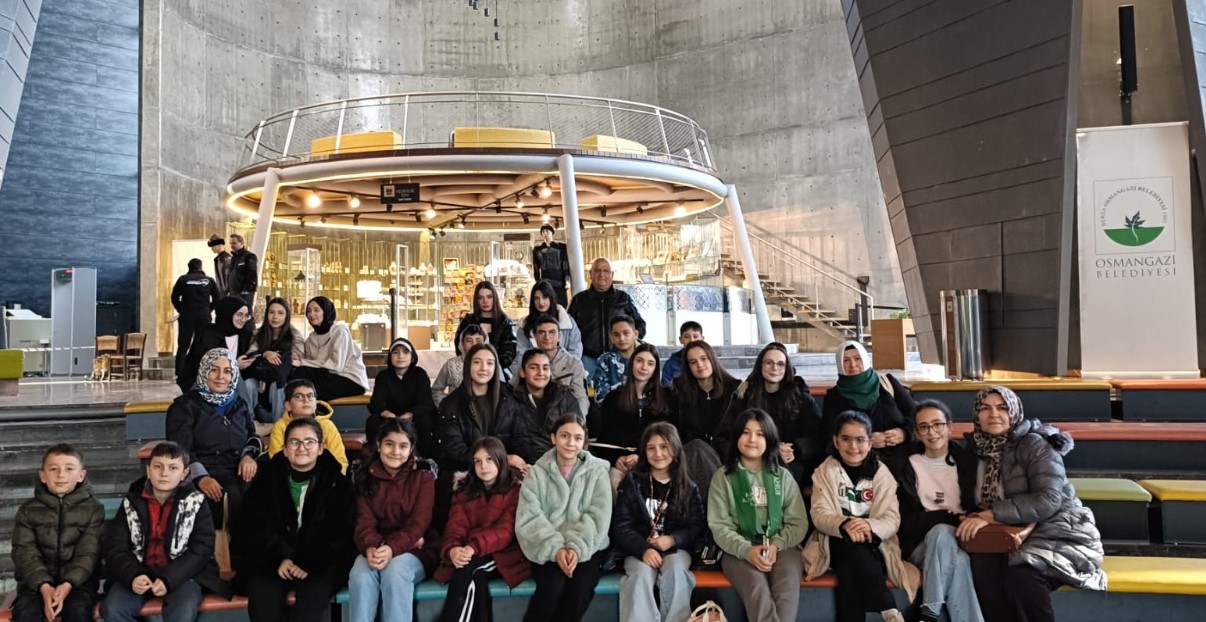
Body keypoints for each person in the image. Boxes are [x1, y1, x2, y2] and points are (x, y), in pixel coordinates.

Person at [958, 386, 1106, 622]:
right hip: (1004, 530)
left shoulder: (1034, 444)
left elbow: (1048, 500)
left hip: (1056, 528)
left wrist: (990, 515)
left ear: (1014, 412)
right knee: (982, 570)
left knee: (1023, 575)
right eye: (985, 408)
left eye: (1002, 408)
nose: (993, 414)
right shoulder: (973, 449)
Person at [234, 418, 355, 622]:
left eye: (309, 442)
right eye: (294, 442)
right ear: (285, 448)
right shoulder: (266, 480)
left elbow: (340, 534)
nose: (301, 448)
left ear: (321, 448)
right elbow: (252, 527)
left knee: (307, 611)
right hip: (273, 562)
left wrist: (307, 562)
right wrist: (280, 559)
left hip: (319, 565)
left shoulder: (338, 484)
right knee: (263, 604)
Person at [803, 411, 917, 622]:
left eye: (860, 440)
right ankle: (888, 608)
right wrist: (845, 524)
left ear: (870, 442)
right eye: (846, 439)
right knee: (850, 546)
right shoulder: (825, 471)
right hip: (834, 541)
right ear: (836, 441)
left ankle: (887, 609)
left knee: (849, 568)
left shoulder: (882, 473)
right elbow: (819, 514)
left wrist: (866, 527)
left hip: (875, 547)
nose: (853, 446)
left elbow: (892, 519)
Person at [101, 441, 230, 622]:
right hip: (140, 573)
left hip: (183, 575)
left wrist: (169, 579)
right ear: (148, 470)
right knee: (113, 610)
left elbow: (201, 549)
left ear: (184, 473)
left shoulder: (196, 502)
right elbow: (116, 547)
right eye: (158, 466)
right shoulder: (132, 502)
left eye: (173, 468)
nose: (164, 473)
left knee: (183, 611)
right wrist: (133, 576)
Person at [707, 409, 808, 622]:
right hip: (737, 548)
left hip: (783, 546)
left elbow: (798, 522)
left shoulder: (782, 476)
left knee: (786, 588)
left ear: (769, 440)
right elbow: (719, 526)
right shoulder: (723, 477)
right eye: (745, 432)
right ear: (736, 437)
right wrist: (747, 550)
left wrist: (776, 545)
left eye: (760, 434)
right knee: (756, 589)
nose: (752, 439)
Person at [515, 413, 612, 622]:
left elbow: (598, 516)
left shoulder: (598, 472)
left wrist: (576, 548)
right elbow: (530, 517)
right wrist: (556, 549)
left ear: (584, 441)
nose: (571, 443)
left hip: (587, 548)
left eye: (577, 438)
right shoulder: (536, 473)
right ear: (553, 438)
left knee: (579, 588)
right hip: (546, 547)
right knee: (552, 586)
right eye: (564, 436)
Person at [893, 400, 982, 622]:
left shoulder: (969, 463)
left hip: (965, 540)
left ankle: (927, 615)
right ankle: (930, 613)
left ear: (949, 427)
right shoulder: (904, 466)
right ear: (917, 433)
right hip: (920, 546)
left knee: (956, 555)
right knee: (943, 535)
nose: (932, 432)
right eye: (924, 427)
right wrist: (949, 518)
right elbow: (903, 522)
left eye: (937, 425)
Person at [611, 423, 705, 622]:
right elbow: (621, 525)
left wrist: (673, 539)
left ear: (675, 449)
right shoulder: (633, 483)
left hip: (676, 550)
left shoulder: (688, 486)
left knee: (676, 571)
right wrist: (643, 549)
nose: (658, 453)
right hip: (638, 550)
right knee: (640, 575)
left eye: (664, 447)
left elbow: (696, 525)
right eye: (651, 448)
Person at [349, 419, 438, 622]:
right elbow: (363, 521)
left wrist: (391, 548)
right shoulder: (365, 476)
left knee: (396, 571)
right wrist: (370, 547)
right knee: (360, 574)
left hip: (416, 549)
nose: (396, 452)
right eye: (389, 444)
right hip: (375, 548)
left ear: (411, 449)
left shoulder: (423, 477)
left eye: (403, 446)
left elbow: (419, 524)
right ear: (379, 445)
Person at [435, 437, 530, 622]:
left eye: (489, 459)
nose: (483, 466)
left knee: (468, 570)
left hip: (504, 553)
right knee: (473, 577)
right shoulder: (464, 490)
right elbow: (455, 526)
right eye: (477, 461)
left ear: (500, 460)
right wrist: (453, 549)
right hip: (470, 552)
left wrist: (472, 547)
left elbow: (506, 531)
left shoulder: (515, 489)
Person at [9, 444, 105, 622]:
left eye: (69, 469)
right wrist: (44, 586)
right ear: (43, 476)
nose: (61, 475)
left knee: (78, 611)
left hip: (78, 584)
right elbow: (24, 552)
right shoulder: (28, 510)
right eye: (53, 469)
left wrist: (68, 584)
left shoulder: (94, 509)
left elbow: (89, 553)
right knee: (26, 613)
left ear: (81, 475)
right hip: (34, 584)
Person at [166, 348, 261, 524]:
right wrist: (200, 478)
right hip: (202, 471)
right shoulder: (185, 406)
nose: (220, 377)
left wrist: (248, 456)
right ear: (204, 371)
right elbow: (180, 449)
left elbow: (252, 437)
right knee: (220, 502)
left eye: (227, 371)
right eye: (214, 370)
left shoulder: (239, 404)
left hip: (237, 470)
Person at [716, 342, 824, 489]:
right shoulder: (744, 397)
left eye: (780, 364)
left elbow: (818, 437)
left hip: (791, 463)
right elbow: (722, 439)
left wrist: (796, 450)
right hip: (750, 460)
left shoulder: (801, 398)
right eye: (769, 363)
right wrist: (759, 451)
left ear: (786, 368)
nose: (774, 368)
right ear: (760, 365)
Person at [823, 340, 915, 467]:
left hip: (903, 461)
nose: (852, 365)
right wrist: (865, 442)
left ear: (865, 360)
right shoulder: (834, 397)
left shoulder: (888, 384)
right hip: (860, 466)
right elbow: (829, 437)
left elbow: (916, 415)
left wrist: (904, 433)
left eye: (857, 358)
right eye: (846, 360)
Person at [597, 343, 674, 471]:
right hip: (623, 463)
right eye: (639, 361)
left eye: (650, 363)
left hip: (657, 460)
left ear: (656, 369)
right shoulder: (613, 398)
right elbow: (604, 439)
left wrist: (641, 457)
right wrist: (616, 458)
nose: (644, 367)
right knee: (614, 476)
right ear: (631, 363)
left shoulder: (668, 397)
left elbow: (673, 437)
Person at [439, 343, 514, 474]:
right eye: (477, 362)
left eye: (490, 363)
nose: (484, 368)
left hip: (506, 471)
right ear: (468, 365)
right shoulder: (451, 404)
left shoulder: (508, 396)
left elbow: (520, 436)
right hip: (469, 472)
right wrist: (495, 459)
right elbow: (455, 450)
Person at [506, 348, 585, 467]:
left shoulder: (564, 397)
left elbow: (578, 434)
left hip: (562, 463)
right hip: (523, 466)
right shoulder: (511, 400)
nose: (541, 372)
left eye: (545, 368)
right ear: (522, 372)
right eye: (534, 367)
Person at [567, 258, 645, 375]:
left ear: (612, 274)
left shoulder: (623, 298)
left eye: (606, 271)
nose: (601, 274)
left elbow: (640, 325)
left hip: (618, 361)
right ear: (590, 274)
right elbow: (568, 330)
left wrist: (630, 347)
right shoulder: (579, 300)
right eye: (597, 270)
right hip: (588, 360)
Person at [291, 296, 369, 402]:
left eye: (316, 310)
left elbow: (336, 366)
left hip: (350, 379)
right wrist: (298, 358)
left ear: (326, 311)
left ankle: (313, 409)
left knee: (305, 378)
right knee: (300, 377)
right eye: (309, 311)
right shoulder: (311, 339)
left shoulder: (339, 332)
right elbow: (312, 365)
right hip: (328, 377)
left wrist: (301, 362)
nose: (312, 314)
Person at [367, 337, 437, 455]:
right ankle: (375, 458)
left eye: (405, 352)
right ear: (390, 357)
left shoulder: (420, 374)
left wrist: (409, 414)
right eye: (395, 352)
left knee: (425, 421)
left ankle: (423, 458)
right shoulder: (383, 376)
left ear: (412, 356)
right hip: (389, 416)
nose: (400, 356)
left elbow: (425, 402)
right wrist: (388, 414)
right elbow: (376, 402)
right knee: (373, 422)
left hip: (414, 416)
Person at [239, 297, 303, 423]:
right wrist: (265, 353)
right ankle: (249, 424)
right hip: (260, 379)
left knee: (278, 386)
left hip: (282, 381)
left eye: (280, 313)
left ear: (287, 316)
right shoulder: (259, 333)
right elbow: (249, 356)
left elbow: (299, 359)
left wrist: (289, 356)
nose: (275, 317)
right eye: (271, 312)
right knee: (249, 384)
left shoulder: (294, 335)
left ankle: (278, 425)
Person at [510, 313, 588, 414]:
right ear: (534, 336)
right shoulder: (526, 361)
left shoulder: (573, 363)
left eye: (552, 332)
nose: (547, 337)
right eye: (542, 333)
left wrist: (577, 420)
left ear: (559, 336)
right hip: (531, 414)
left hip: (564, 415)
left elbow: (580, 398)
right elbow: (514, 390)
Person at [267, 379, 349, 474]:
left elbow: (340, 460)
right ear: (288, 405)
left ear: (316, 403)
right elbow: (276, 460)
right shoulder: (280, 427)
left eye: (310, 396)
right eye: (299, 396)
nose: (306, 400)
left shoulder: (327, 426)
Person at [671, 340, 740, 447]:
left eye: (703, 359)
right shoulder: (679, 393)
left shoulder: (734, 391)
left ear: (712, 359)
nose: (700, 365)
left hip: (726, 452)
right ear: (688, 367)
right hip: (693, 451)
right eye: (693, 362)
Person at [177, 296, 251, 394]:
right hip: (204, 379)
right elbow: (207, 365)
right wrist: (235, 366)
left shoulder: (244, 335)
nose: (243, 319)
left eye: (246, 316)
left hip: (230, 382)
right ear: (227, 313)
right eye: (239, 315)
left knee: (250, 383)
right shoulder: (209, 333)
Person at [453, 281, 518, 372]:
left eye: (489, 297)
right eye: (480, 298)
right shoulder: (468, 321)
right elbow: (459, 348)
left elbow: (509, 354)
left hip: (499, 372)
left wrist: (490, 367)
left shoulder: (505, 323)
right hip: (470, 370)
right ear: (476, 300)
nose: (485, 301)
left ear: (495, 298)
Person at [171, 258, 218, 377]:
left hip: (187, 316)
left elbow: (174, 297)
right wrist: (208, 309)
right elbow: (217, 298)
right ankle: (202, 370)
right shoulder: (209, 280)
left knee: (183, 345)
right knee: (203, 343)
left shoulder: (182, 279)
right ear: (201, 267)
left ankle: (180, 372)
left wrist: (181, 309)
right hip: (203, 316)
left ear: (189, 267)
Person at [517, 279, 583, 360]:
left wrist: (564, 365)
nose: (541, 302)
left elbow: (576, 349)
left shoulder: (567, 322)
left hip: (564, 366)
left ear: (551, 298)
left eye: (545, 297)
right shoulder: (525, 325)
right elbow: (521, 354)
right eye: (536, 298)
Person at [590, 314, 641, 404]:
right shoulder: (604, 361)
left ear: (635, 334)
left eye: (626, 333)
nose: (621, 338)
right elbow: (601, 397)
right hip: (614, 410)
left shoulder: (647, 357)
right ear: (611, 338)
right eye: (616, 335)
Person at [431, 324, 485, 406]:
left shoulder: (490, 365)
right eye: (469, 340)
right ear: (462, 343)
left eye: (478, 341)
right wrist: (446, 406)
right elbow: (436, 390)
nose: (473, 344)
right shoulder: (451, 365)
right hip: (456, 411)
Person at [532, 224, 571, 307]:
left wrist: (567, 278)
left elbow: (565, 263)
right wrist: (538, 281)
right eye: (543, 231)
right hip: (546, 281)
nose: (545, 233)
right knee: (547, 305)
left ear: (552, 232)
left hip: (559, 280)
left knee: (561, 306)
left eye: (547, 231)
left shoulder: (561, 247)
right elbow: (536, 266)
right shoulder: (538, 249)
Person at [661, 321, 703, 387]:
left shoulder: (709, 360)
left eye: (695, 336)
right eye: (687, 337)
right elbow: (666, 388)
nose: (691, 340)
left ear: (702, 339)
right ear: (681, 339)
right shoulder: (671, 364)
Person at [226, 233, 258, 311]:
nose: (232, 246)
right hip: (233, 294)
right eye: (231, 243)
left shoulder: (249, 256)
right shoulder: (234, 258)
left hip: (244, 295)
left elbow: (252, 274)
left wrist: (246, 290)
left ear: (242, 243)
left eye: (234, 243)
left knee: (246, 313)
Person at [208, 234, 233, 299]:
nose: (212, 248)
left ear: (219, 245)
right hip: (221, 292)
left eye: (213, 246)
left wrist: (229, 291)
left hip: (226, 292)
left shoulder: (226, 259)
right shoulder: (219, 259)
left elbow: (229, 276)